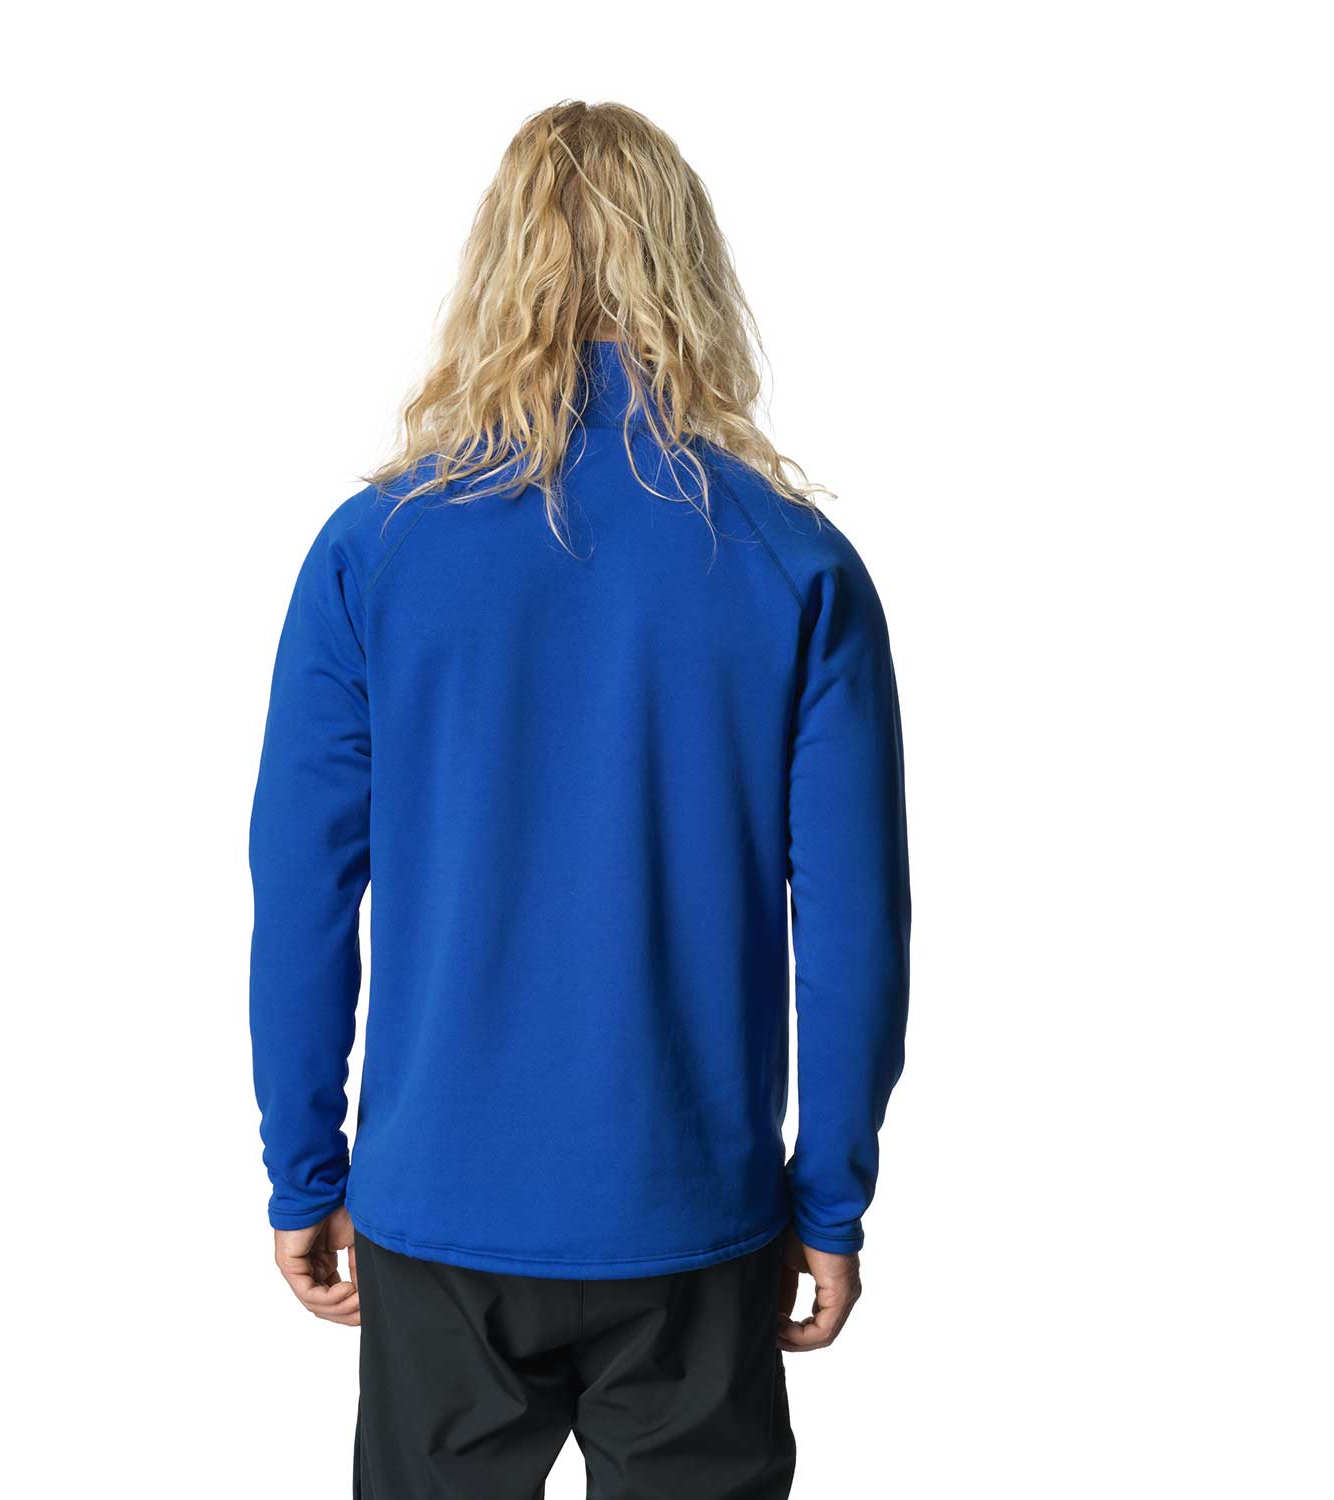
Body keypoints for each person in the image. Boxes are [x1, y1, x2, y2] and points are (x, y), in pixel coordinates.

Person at [249, 99, 910, 1499]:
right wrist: (833, 1198)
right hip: (692, 1212)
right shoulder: (796, 564)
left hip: (441, 1210)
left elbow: (302, 890)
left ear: (494, 270)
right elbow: (857, 928)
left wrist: (304, 1169)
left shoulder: (374, 552)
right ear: (690, 272)